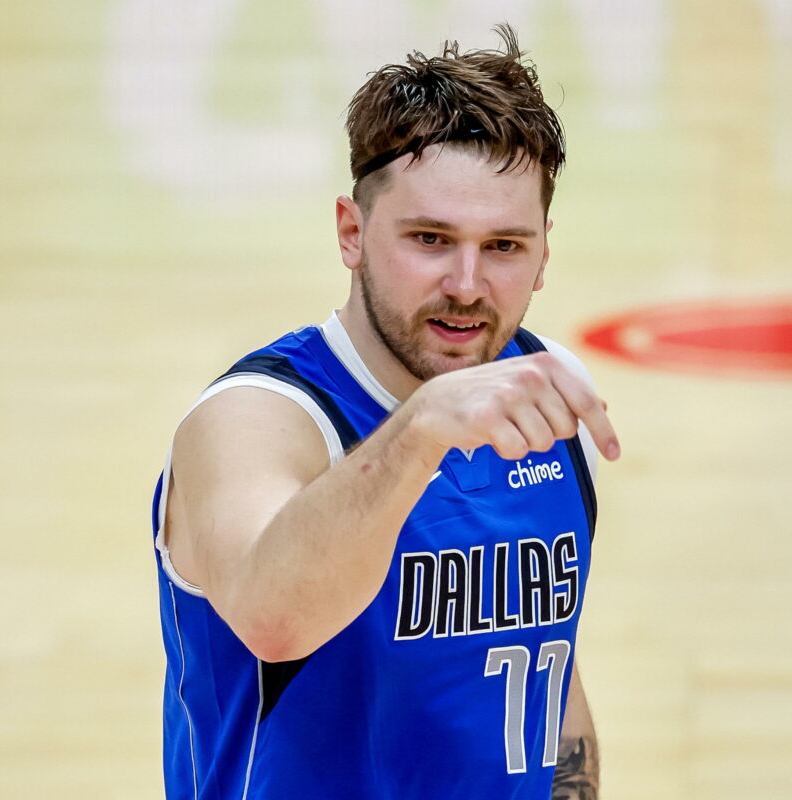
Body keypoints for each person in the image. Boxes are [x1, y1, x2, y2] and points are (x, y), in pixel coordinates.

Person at [151, 23, 619, 799]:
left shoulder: (540, 394)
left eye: (504, 246)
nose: (466, 284)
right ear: (352, 232)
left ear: (544, 251)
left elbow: (547, 667)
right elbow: (274, 620)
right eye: (430, 239)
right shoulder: (258, 419)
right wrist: (420, 430)